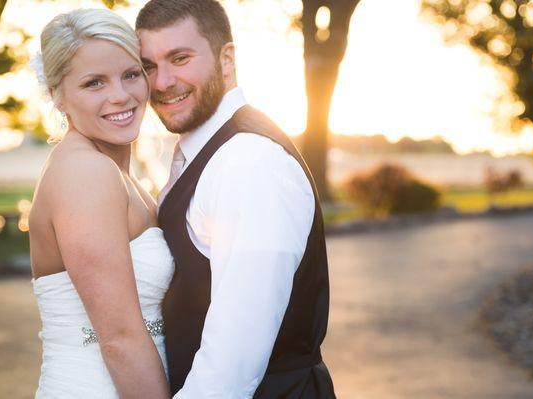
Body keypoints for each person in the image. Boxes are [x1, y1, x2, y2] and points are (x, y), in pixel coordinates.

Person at [136, 0, 336, 397]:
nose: (161, 82)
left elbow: (233, 357)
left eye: (180, 58)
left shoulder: (248, 162)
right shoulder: (210, 150)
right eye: (148, 65)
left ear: (227, 59)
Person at [28, 8, 172, 398]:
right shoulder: (86, 174)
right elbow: (119, 339)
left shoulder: (115, 171)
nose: (121, 95)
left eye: (130, 74)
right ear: (57, 96)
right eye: (94, 83)